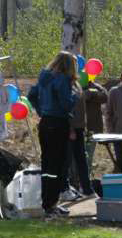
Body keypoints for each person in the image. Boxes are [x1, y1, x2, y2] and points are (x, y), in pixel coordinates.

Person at [27, 51, 79, 217]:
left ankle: (46, 202)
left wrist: (42, 111)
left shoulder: (44, 77)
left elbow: (31, 95)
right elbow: (66, 105)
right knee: (58, 165)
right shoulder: (63, 79)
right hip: (58, 123)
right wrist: (76, 96)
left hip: (45, 123)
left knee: (47, 163)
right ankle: (52, 204)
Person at [60, 87, 96, 201]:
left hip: (79, 128)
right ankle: (64, 189)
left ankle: (87, 189)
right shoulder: (63, 86)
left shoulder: (76, 86)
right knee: (66, 161)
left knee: (82, 160)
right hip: (69, 129)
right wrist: (70, 129)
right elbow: (65, 110)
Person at [83, 81, 108, 174]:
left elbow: (105, 97)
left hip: (92, 128)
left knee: (88, 155)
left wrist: (92, 93)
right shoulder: (72, 84)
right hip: (76, 128)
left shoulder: (95, 86)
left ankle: (86, 179)